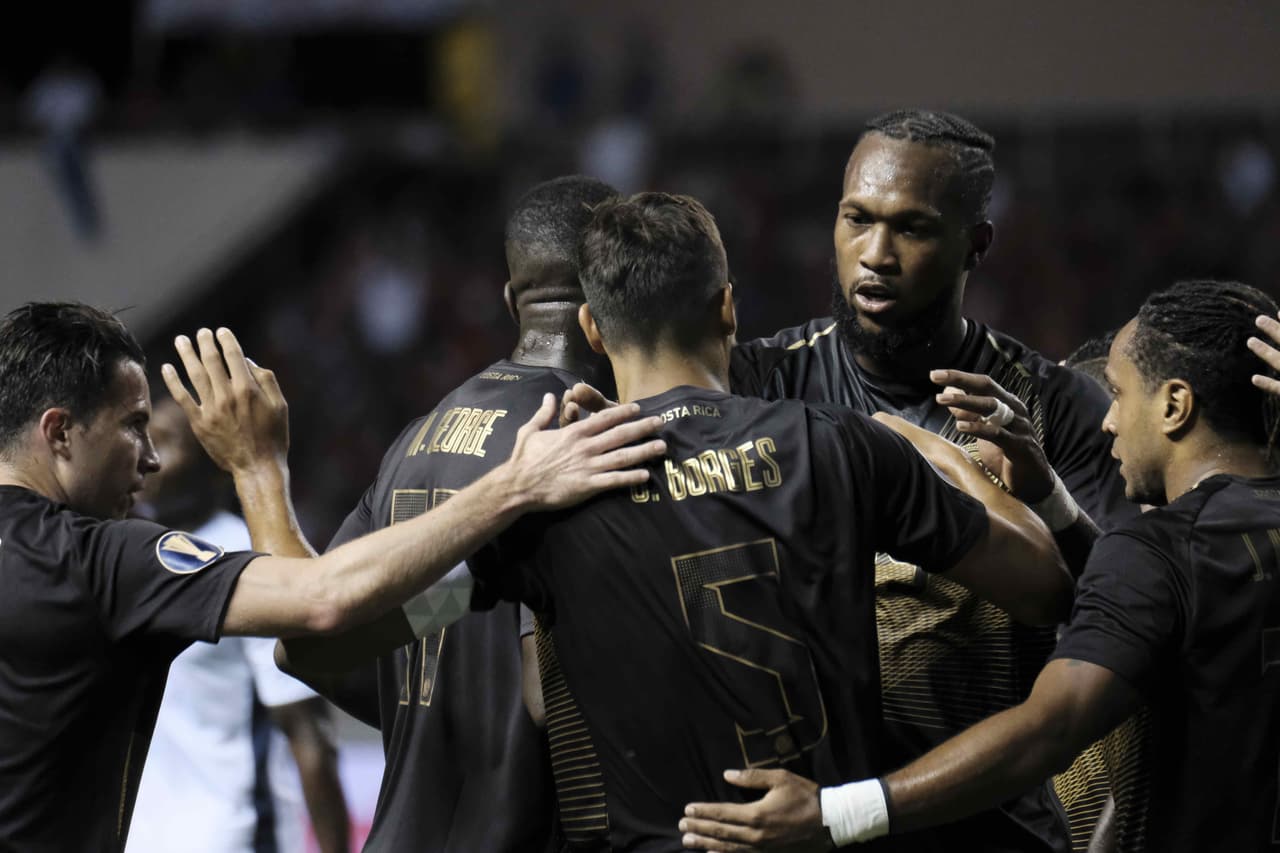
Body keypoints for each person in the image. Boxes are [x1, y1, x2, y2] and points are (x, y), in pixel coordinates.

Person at [472, 191, 1071, 850]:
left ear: (592, 327)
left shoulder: (554, 494)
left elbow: (358, 617)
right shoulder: (839, 445)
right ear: (728, 307)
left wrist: (509, 490)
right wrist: (921, 442)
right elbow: (1045, 585)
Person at [0, 301, 663, 851]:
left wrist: (468, 587)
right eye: (133, 428)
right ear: (59, 432)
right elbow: (319, 610)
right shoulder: (98, 560)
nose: (147, 461)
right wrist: (514, 486)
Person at [678, 279, 1280, 853]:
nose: (1108, 420)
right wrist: (1048, 498)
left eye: (1119, 394)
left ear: (1175, 404)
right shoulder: (1174, 553)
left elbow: (1052, 728)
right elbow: (1145, 602)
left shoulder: (1160, 545)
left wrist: (837, 814)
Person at [725, 109, 1133, 853]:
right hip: (803, 823)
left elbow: (1125, 611)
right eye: (858, 219)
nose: (874, 254)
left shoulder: (1057, 406)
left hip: (993, 827)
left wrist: (1046, 495)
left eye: (911, 228)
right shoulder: (759, 384)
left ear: (976, 244)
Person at [272, 175, 623, 852]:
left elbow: (305, 651)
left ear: (510, 296)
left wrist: (419, 713)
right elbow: (559, 704)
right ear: (617, 287)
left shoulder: (415, 438)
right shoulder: (591, 440)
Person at [126, 398, 349, 853]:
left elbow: (309, 733)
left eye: (165, 442)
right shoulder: (130, 555)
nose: (146, 456)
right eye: (143, 436)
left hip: (236, 837)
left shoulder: (249, 557)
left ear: (215, 465)